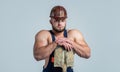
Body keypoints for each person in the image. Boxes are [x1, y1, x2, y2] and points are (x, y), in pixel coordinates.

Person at [33, 5, 91, 72]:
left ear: (66, 21)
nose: (60, 23)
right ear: (51, 21)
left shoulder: (73, 34)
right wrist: (56, 43)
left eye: (62, 20)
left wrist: (71, 42)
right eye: (56, 20)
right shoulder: (44, 35)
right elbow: (37, 56)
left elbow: (87, 54)